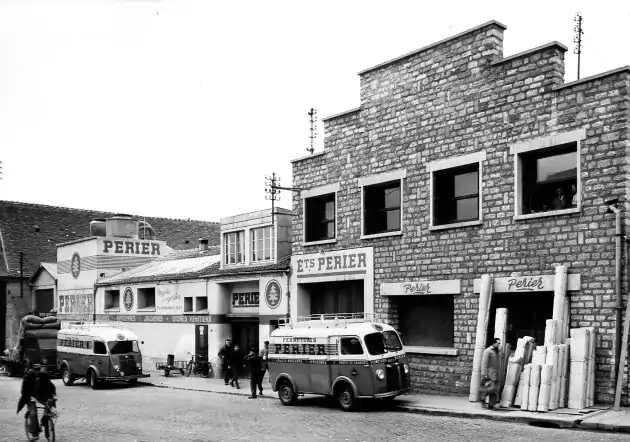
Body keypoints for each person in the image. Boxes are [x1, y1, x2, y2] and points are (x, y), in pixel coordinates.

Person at [480, 338, 501, 410]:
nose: (499, 345)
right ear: (493, 343)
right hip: (490, 374)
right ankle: (483, 398)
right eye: (498, 343)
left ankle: (491, 405)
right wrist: (484, 374)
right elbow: (484, 363)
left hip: (496, 373)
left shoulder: (497, 352)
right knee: (490, 389)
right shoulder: (488, 351)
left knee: (494, 390)